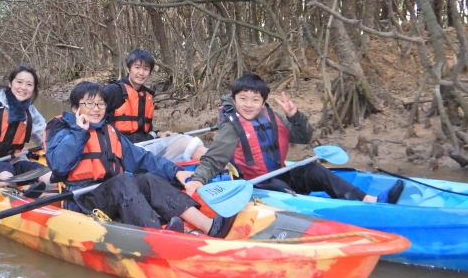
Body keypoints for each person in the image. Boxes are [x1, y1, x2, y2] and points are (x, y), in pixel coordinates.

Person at [45, 82, 235, 237]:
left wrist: (175, 171)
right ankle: (155, 235)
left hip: (110, 192)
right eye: (89, 104)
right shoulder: (63, 130)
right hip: (82, 200)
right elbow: (59, 167)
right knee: (124, 180)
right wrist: (79, 131)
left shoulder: (109, 132)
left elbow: (142, 158)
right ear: (76, 108)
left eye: (101, 104)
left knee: (147, 179)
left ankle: (209, 226)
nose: (96, 109)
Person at [184, 73, 404, 204]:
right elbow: (214, 159)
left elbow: (303, 138)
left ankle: (368, 200)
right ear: (235, 100)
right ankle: (312, 209)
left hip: (282, 172)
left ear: (263, 102)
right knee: (280, 187)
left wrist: (295, 117)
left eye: (254, 100)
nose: (248, 105)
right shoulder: (232, 128)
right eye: (242, 99)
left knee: (315, 169)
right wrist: (198, 179)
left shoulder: (273, 116)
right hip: (259, 183)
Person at [103, 49, 207, 162]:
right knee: (184, 142)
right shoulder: (113, 91)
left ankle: (219, 168)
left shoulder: (146, 96)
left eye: (145, 69)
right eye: (137, 67)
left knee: (182, 141)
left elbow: (144, 130)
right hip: (121, 151)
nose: (141, 73)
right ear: (128, 69)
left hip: (142, 147)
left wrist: (159, 134)